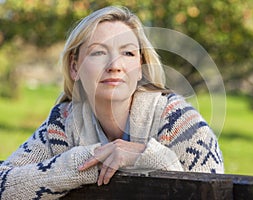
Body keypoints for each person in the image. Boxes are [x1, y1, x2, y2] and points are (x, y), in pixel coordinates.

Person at [0, 6, 224, 199]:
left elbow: (215, 195)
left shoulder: (179, 123)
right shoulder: (63, 123)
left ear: (141, 67)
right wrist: (80, 164)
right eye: (98, 52)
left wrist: (149, 158)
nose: (115, 65)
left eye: (127, 53)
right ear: (74, 67)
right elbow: (3, 184)